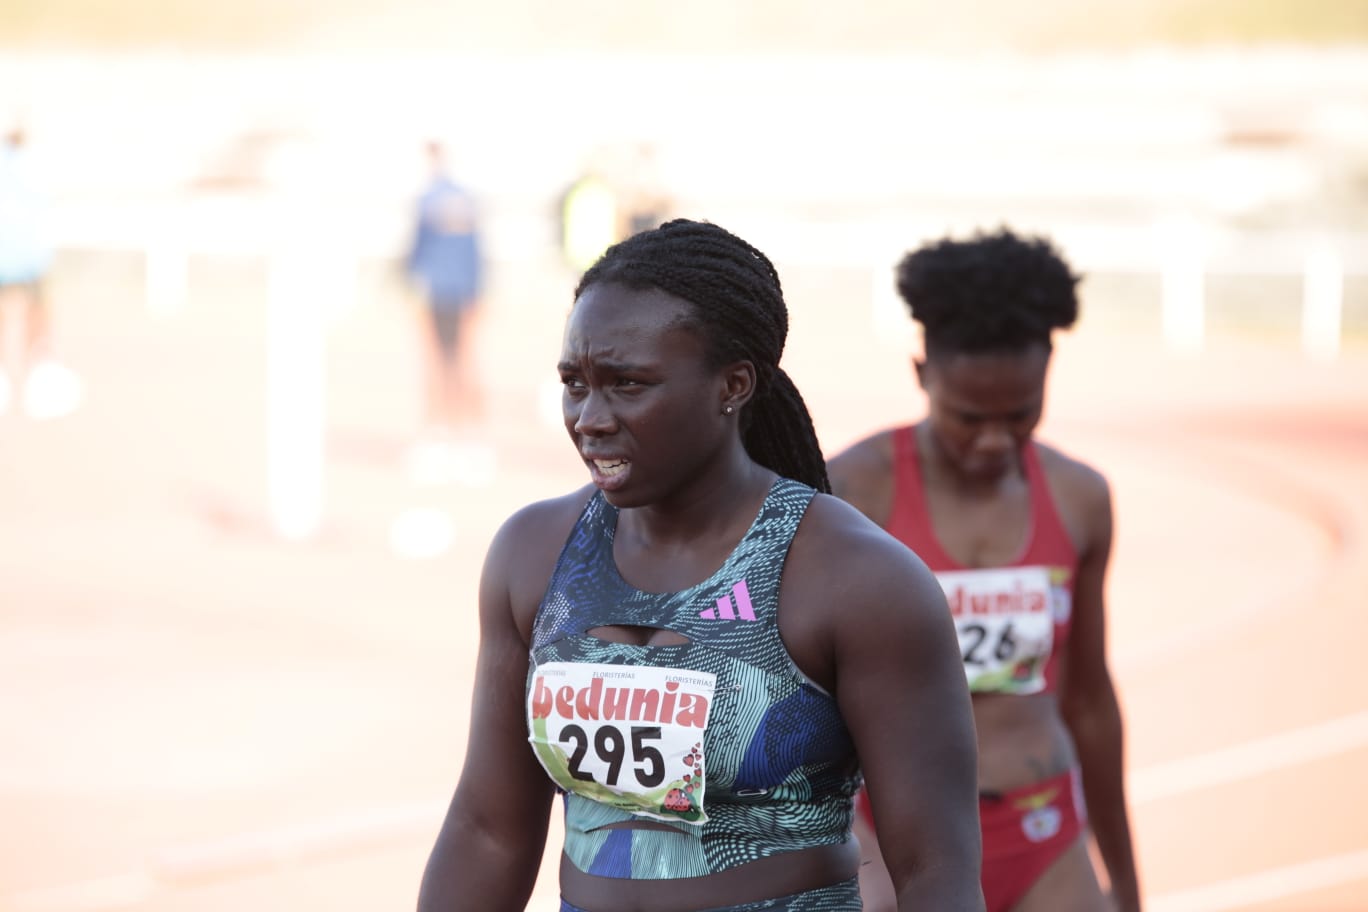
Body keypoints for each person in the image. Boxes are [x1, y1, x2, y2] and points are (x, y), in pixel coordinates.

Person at [418, 219, 983, 911]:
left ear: (733, 385)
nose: (590, 417)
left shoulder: (854, 580)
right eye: (575, 383)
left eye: (628, 384)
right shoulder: (533, 554)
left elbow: (935, 871)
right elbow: (487, 830)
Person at [827, 228, 1141, 912]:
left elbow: (1089, 699)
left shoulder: (1081, 498)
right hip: (890, 840)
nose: (995, 441)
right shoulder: (851, 493)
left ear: (1048, 370)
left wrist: (1127, 880)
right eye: (968, 418)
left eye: (1020, 414)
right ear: (922, 375)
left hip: (1042, 831)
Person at [0, 120, 81, 420]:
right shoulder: (32, 164)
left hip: (11, 250)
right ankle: (40, 370)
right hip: (28, 252)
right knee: (37, 312)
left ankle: (11, 378)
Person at [405, 140, 484, 436]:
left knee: (439, 362)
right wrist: (477, 289)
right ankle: (466, 430)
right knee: (463, 360)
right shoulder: (465, 198)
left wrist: (409, 284)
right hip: (462, 289)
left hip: (437, 290)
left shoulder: (427, 199)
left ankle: (440, 429)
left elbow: (417, 249)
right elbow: (476, 250)